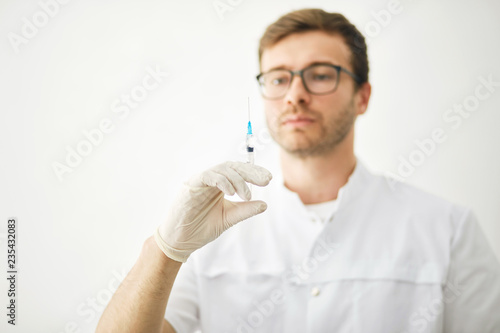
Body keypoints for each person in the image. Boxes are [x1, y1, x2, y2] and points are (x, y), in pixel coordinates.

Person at [96, 8, 500, 333]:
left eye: (321, 75)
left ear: (362, 96)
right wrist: (165, 250)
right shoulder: (208, 234)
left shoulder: (447, 231)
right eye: (278, 78)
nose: (295, 95)